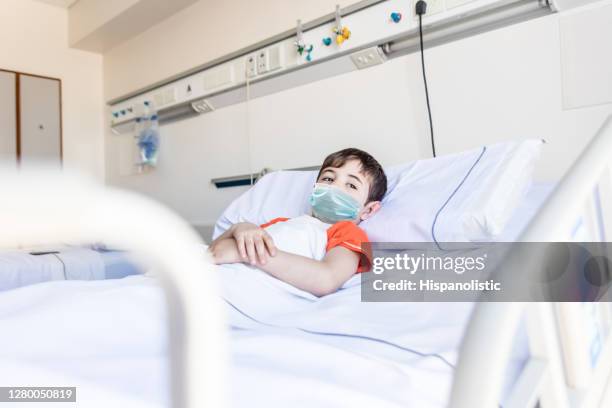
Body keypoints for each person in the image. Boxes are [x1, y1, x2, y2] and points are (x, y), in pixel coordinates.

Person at [209, 148, 387, 296]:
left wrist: (252, 253)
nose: (334, 186)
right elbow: (216, 251)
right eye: (328, 179)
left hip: (242, 291)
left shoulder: (347, 232)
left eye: (351, 185)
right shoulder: (283, 222)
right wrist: (240, 228)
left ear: (368, 210)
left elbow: (327, 279)